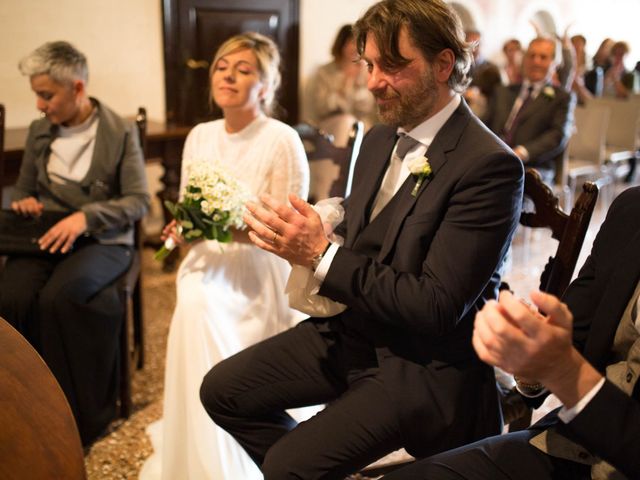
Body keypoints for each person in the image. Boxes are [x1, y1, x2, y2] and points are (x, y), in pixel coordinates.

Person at [199, 1, 524, 478]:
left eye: (393, 66)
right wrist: (322, 223)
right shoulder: (378, 138)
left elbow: (434, 306)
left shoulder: (488, 166)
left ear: (443, 64)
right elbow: (365, 228)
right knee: (222, 391)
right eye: (369, 65)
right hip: (352, 331)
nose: (372, 82)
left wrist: (320, 253)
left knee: (290, 466)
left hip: (424, 365)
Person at [139, 32, 309, 480]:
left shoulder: (281, 139)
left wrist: (228, 229)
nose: (228, 76)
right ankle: (199, 454)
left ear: (266, 86)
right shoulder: (199, 135)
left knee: (200, 309)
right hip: (205, 264)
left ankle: (225, 454)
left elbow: (286, 234)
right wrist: (183, 228)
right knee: (195, 303)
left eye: (244, 69)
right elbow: (187, 207)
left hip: (258, 266)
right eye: (221, 67)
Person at [383, 185, 640, 480]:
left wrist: (565, 372)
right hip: (574, 448)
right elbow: (574, 337)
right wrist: (531, 356)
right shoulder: (632, 212)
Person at [0, 41, 150, 445]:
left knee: (62, 299)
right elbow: (23, 190)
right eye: (37, 94)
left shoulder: (118, 131)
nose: (38, 104)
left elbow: (139, 201)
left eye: (46, 95)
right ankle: (23, 409)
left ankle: (78, 417)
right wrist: (25, 201)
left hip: (101, 239)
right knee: (10, 295)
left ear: (77, 88)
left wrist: (86, 216)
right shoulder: (38, 132)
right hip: (46, 235)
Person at [483, 36, 576, 184]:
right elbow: (483, 125)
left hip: (532, 168)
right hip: (493, 159)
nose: (536, 61)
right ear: (524, 60)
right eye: (531, 56)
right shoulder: (503, 91)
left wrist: (522, 152)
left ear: (554, 63)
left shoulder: (562, 98)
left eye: (543, 57)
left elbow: (558, 135)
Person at [304, 24, 377, 131]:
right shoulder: (324, 72)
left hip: (361, 126)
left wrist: (358, 84)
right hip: (332, 125)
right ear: (341, 44)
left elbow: (368, 106)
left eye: (357, 43)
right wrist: (342, 89)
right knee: (346, 122)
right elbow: (322, 108)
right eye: (350, 43)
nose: (354, 48)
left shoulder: (366, 71)